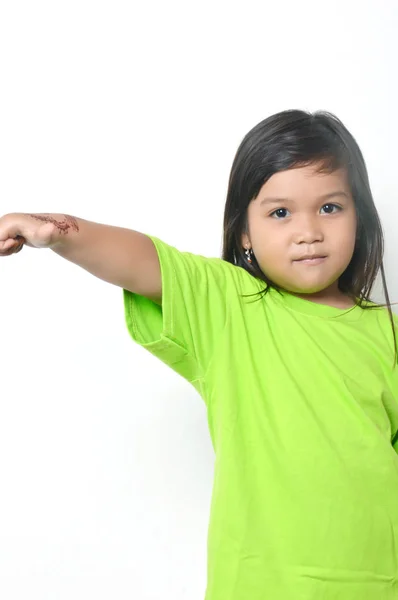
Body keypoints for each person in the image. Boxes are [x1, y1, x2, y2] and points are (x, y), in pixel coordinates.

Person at [1, 109, 398, 599]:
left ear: (360, 214)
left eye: (331, 208)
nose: (309, 231)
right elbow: (147, 261)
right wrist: (59, 232)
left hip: (376, 582)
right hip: (259, 584)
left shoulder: (388, 333)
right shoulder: (232, 306)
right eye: (280, 212)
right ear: (245, 234)